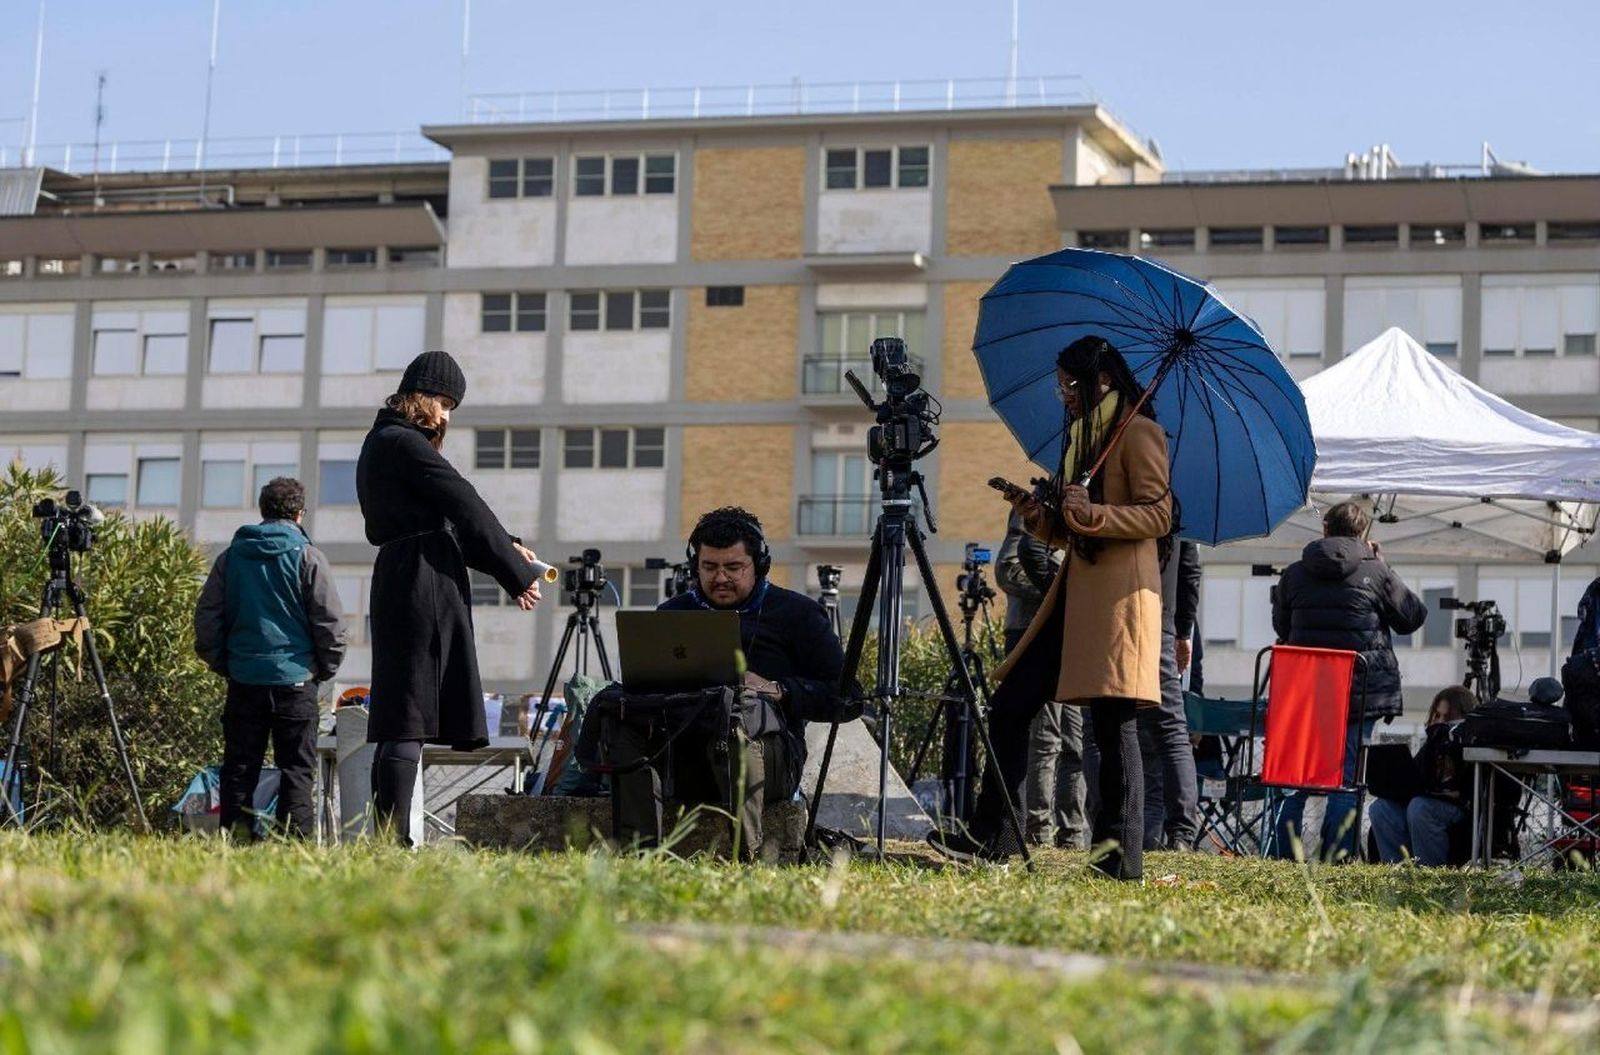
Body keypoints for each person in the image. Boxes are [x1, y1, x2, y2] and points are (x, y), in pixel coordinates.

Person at [932, 335, 1173, 881]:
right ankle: (993, 835)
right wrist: (1039, 517)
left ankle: (1120, 860)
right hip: (1073, 596)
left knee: (1113, 727)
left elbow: (1158, 517)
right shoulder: (1083, 443)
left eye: (1070, 384)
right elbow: (1072, 533)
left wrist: (1095, 514)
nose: (1063, 395)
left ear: (1102, 381)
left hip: (1116, 601)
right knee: (1013, 703)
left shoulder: (1139, 433)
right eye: (1060, 385)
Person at [356, 350, 543, 845]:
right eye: (444, 402)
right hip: (424, 583)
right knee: (409, 716)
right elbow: (466, 503)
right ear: (423, 397)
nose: (446, 415)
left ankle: (386, 839)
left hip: (397, 576)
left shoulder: (378, 443)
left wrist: (509, 552)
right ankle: (394, 843)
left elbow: (443, 527)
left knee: (398, 716)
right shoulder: (405, 444)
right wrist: (515, 571)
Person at [608, 507, 851, 858]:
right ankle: (637, 857)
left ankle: (745, 858)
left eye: (733, 568)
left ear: (759, 565)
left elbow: (849, 699)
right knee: (622, 717)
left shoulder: (797, 615)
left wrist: (776, 689)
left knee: (738, 718)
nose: (720, 578)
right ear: (696, 567)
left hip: (770, 758)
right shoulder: (672, 615)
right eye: (709, 568)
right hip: (687, 756)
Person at [1268, 500, 1428, 861]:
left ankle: (1283, 857)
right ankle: (1337, 858)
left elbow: (1283, 627)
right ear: (1365, 534)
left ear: (1325, 529)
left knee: (1295, 777)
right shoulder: (1376, 572)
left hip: (1306, 692)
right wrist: (1383, 564)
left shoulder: (1294, 573)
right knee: (1347, 776)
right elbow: (1413, 617)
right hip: (1359, 693)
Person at [195, 476, 346, 838]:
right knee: (296, 769)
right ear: (299, 513)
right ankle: (295, 848)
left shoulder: (231, 558)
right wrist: (321, 669)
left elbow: (207, 619)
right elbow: (330, 623)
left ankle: (240, 843)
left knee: (240, 768)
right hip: (295, 681)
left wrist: (225, 663)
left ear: (262, 511)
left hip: (245, 679)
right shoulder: (308, 557)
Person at [996, 509, 1086, 848]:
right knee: (1046, 739)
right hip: (1032, 632)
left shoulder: (1082, 512)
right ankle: (1038, 832)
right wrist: (1058, 591)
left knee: (1074, 742)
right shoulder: (1033, 510)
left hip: (1072, 636)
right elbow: (1007, 570)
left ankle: (1073, 834)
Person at [1138, 539, 1201, 850]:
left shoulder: (1106, 493)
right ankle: (1181, 834)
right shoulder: (1180, 502)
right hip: (1160, 618)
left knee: (1103, 726)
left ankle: (1113, 827)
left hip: (1111, 615)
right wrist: (1183, 631)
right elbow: (1189, 569)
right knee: (1172, 732)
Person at [1367, 685, 1474, 865]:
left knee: (1420, 808)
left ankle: (1428, 876)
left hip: (1457, 810)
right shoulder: (1431, 746)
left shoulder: (1472, 744)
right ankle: (1397, 874)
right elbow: (1415, 780)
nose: (1439, 722)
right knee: (1380, 808)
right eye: (1436, 716)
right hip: (1423, 803)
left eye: (1447, 718)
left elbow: (1471, 793)